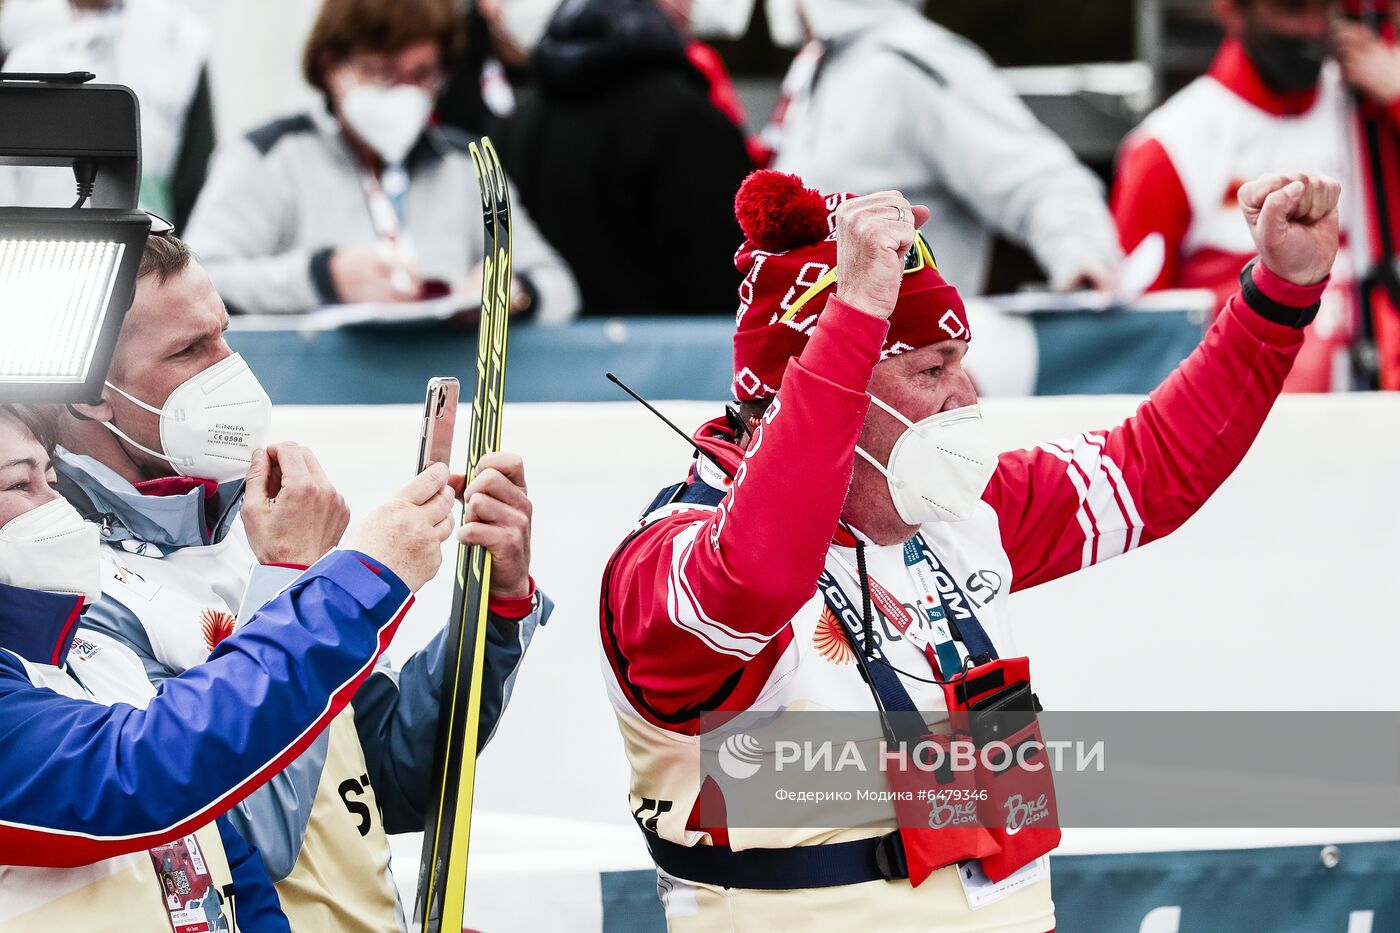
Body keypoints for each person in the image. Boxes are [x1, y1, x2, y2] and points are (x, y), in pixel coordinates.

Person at [598, 167, 1340, 930]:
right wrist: (854, 317)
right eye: (932, 368)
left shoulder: (953, 513)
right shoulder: (668, 561)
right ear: (820, 384)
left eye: (960, 362)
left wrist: (1280, 293)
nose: (967, 395)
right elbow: (759, 574)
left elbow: (1152, 471)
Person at [49, 233, 553, 931]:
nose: (231, 371)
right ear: (89, 398)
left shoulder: (249, 519)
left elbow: (394, 772)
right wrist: (295, 583)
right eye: (190, 351)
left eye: (225, 335)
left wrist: (496, 607)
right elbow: (246, 843)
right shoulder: (73, 591)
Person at [0, 403, 456, 930]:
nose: (57, 505)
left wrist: (497, 613)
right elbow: (147, 771)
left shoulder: (91, 660)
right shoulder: (107, 623)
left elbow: (230, 869)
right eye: (20, 485)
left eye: (52, 480)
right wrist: (355, 583)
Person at [184, 0, 580, 323]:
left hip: (445, 381)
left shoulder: (467, 166)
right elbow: (197, 282)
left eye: (422, 75)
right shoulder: (268, 157)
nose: (406, 93)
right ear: (332, 66)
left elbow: (559, 286)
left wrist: (514, 292)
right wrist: (324, 276)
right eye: (384, 73)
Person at [1114, 0, 1400, 392]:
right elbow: (1133, 343)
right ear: (1231, 10)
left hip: (1362, 405)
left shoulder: (1368, 104)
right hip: (1229, 416)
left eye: (1324, 9)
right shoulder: (1168, 145)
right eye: (1292, 9)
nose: (1314, 28)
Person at [763, 0, 1123, 298]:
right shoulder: (823, 67)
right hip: (831, 351)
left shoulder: (914, 62)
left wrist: (1084, 259)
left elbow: (1040, 180)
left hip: (907, 351)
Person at [477, 0, 755, 315]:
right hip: (672, 342)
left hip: (543, 340)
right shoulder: (685, 118)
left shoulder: (519, 121)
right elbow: (734, 276)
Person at [0, 0, 215, 229]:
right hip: (29, 236)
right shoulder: (18, 35)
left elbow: (194, 177)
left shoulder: (178, 40)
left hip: (139, 238)